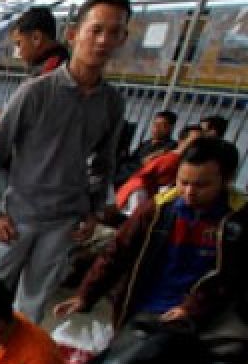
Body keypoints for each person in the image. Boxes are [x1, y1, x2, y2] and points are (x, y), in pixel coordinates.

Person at [0, 0, 130, 324]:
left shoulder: (112, 102)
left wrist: (93, 211)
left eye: (114, 32)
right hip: (16, 220)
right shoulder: (36, 92)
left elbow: (104, 163)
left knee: (30, 310)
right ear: (74, 34)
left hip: (64, 223)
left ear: (123, 39)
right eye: (96, 30)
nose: (103, 40)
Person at [55, 138, 246, 333]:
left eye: (201, 185)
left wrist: (192, 308)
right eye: (183, 182)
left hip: (200, 320)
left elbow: (231, 278)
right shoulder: (157, 209)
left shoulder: (238, 220)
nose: (189, 192)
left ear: (227, 179)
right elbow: (117, 252)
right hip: (143, 309)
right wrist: (85, 295)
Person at [114, 124, 202, 214]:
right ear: (182, 141)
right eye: (194, 142)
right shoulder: (172, 160)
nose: (197, 146)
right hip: (138, 194)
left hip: (134, 192)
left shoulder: (168, 154)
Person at [10, 7, 71, 76]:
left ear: (36, 38)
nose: (18, 53)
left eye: (19, 44)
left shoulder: (51, 70)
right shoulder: (58, 62)